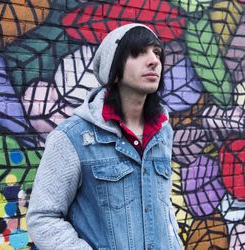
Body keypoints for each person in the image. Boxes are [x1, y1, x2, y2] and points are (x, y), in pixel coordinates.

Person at [26, 23, 182, 250]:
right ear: (114, 71)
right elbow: (43, 218)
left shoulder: (163, 131)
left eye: (156, 53)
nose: (154, 61)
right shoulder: (72, 138)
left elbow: (162, 205)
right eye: (139, 53)